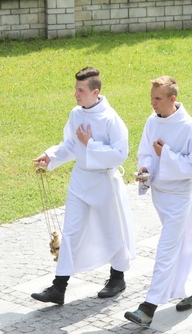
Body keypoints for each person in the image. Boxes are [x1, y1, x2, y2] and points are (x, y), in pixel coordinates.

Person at [31, 67, 134, 306]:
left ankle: (117, 278)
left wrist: (91, 144)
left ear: (95, 92)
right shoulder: (76, 114)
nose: (76, 94)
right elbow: (70, 145)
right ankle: (59, 288)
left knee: (112, 230)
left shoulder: (111, 119)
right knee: (71, 232)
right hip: (80, 180)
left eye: (80, 90)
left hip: (104, 182)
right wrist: (50, 156)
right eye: (76, 89)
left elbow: (120, 155)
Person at [125, 76, 192, 327]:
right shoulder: (152, 122)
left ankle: (148, 308)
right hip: (159, 193)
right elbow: (147, 154)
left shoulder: (189, 127)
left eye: (157, 98)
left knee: (166, 248)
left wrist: (168, 155)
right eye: (151, 97)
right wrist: (145, 168)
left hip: (180, 196)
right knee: (183, 245)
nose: (152, 103)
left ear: (172, 99)